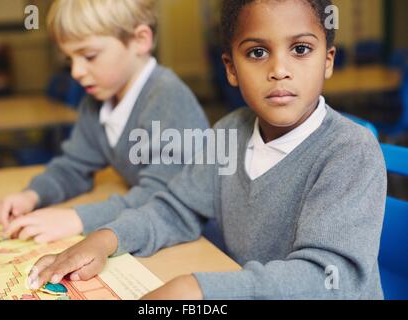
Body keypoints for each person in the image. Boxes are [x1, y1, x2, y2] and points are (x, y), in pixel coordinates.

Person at [28, 0, 387, 299]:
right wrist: (107, 239)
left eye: (301, 49)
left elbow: (328, 279)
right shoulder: (230, 132)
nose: (280, 70)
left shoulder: (349, 151)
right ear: (231, 68)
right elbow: (176, 208)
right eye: (257, 52)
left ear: (328, 60)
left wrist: (198, 290)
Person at [0, 0, 209, 244]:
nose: (76, 72)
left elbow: (163, 198)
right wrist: (33, 195)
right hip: (148, 227)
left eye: (89, 56)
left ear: (140, 41)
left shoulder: (168, 97)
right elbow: (73, 166)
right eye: (70, 59)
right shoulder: (98, 100)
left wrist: (77, 219)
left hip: (200, 237)